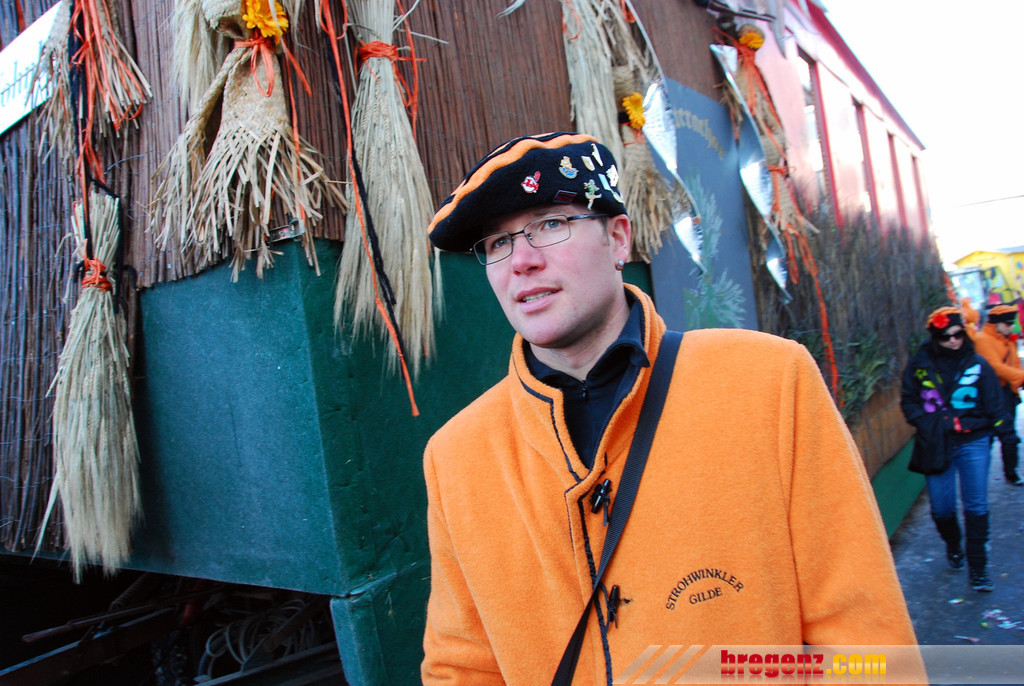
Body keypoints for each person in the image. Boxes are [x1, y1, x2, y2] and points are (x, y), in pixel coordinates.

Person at [422, 132, 918, 685]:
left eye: (550, 224)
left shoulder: (769, 383)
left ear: (618, 239)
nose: (522, 260)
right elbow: (461, 667)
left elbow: (865, 642)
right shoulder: (456, 457)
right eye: (498, 242)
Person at [900, 307, 1007, 592]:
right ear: (935, 337)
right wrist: (927, 423)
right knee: (941, 507)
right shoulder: (920, 365)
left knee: (976, 505)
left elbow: (995, 403)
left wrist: (1007, 436)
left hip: (974, 441)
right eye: (946, 337)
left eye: (958, 334)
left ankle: (979, 568)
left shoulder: (978, 364)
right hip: (936, 443)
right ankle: (953, 544)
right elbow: (909, 399)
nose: (953, 341)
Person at [973, 303, 1024, 485]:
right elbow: (994, 366)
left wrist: (1018, 380)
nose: (1011, 327)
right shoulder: (982, 340)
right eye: (1008, 323)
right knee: (989, 436)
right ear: (996, 324)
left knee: (1009, 435)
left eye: (1012, 323)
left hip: (1007, 393)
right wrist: (1020, 377)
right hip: (990, 395)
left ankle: (1011, 473)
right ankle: (978, 477)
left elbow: (1015, 363)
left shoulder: (1008, 339)